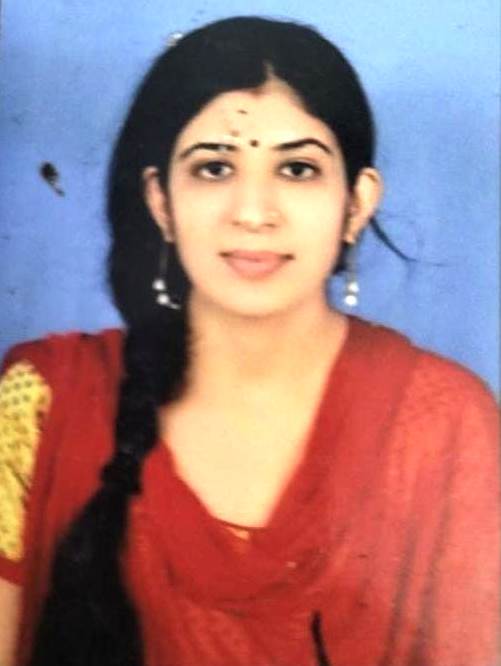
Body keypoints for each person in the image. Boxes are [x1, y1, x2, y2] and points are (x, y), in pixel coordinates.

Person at [0, 15, 499, 666]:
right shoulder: (44, 402)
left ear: (356, 203)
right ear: (160, 201)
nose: (253, 212)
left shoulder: (445, 423)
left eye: (297, 169)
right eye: (214, 169)